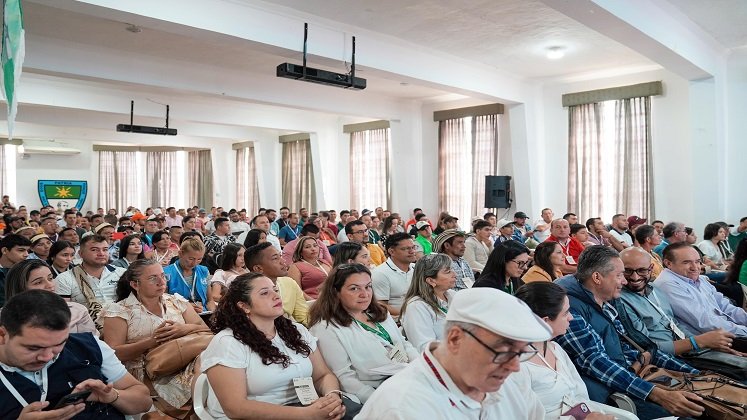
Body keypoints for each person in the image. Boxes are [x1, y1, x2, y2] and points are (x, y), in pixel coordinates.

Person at [555, 246, 703, 418]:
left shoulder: (607, 299)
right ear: (597, 277)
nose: (625, 281)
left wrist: (694, 374)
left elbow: (631, 345)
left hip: (630, 374)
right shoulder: (569, 308)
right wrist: (657, 394)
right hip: (610, 393)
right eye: (619, 275)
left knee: (706, 395)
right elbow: (595, 361)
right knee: (689, 413)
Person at [357, 287, 551, 419]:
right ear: (455, 339)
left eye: (521, 352)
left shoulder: (508, 382)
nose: (514, 367)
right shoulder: (402, 408)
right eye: (503, 351)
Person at [200, 273, 346, 419]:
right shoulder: (227, 343)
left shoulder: (296, 330)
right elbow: (236, 408)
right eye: (264, 293)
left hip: (305, 408)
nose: (276, 296)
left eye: (275, 290)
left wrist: (332, 398)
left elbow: (322, 375)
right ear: (244, 306)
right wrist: (307, 414)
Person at [0, 290, 152, 419]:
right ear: (2, 335)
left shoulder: (88, 346)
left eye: (59, 344)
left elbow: (144, 401)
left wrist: (112, 396)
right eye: (34, 348)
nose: (47, 357)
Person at [514, 282, 637, 419]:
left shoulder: (555, 349)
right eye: (566, 313)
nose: (571, 318)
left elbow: (580, 396)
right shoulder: (517, 366)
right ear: (545, 321)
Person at [102, 259, 209, 413]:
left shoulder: (176, 301)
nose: (161, 282)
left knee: (210, 366)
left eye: (163, 276)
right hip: (150, 371)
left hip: (186, 360)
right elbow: (113, 353)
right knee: (207, 378)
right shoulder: (119, 310)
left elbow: (204, 329)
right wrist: (151, 342)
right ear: (135, 284)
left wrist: (183, 329)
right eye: (153, 278)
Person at [618, 247, 747, 374]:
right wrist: (698, 342)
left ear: (651, 269)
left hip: (690, 350)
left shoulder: (654, 290)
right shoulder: (622, 300)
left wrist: (707, 344)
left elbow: (675, 325)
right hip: (668, 359)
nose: (635, 277)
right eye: (627, 271)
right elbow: (647, 348)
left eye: (642, 270)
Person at [309, 264, 418, 403]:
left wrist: (420, 367)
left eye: (368, 286)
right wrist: (378, 400)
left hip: (406, 377)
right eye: (354, 288)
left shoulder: (379, 313)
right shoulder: (326, 328)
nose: (364, 294)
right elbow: (345, 378)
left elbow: (403, 344)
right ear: (336, 292)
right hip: (376, 391)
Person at [655, 242, 747, 341]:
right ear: (668, 263)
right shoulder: (668, 284)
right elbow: (704, 323)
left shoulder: (699, 279)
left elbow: (724, 306)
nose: (695, 267)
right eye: (686, 262)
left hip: (727, 331)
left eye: (698, 261)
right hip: (710, 342)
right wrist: (744, 330)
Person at [5, 259, 97, 334]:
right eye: (38, 282)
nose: (50, 285)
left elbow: (92, 344)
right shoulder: (5, 317)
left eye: (50, 278)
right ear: (20, 288)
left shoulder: (77, 310)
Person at [55, 234, 127, 330]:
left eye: (105, 249)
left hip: (124, 324)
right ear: (80, 254)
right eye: (94, 250)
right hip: (87, 331)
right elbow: (64, 315)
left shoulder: (122, 273)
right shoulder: (64, 278)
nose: (101, 253)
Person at [400, 254, 457, 351]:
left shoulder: (452, 295)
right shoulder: (416, 307)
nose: (455, 274)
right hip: (442, 359)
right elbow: (425, 347)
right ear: (431, 280)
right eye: (448, 272)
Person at [245, 242, 309, 325]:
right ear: (258, 268)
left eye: (280, 256)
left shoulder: (289, 283)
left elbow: (303, 318)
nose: (283, 261)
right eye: (275, 258)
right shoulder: (249, 291)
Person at [163, 237, 214, 313]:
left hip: (203, 312)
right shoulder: (166, 272)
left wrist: (212, 313)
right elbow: (163, 301)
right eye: (191, 259)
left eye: (199, 259)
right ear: (180, 254)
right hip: (179, 314)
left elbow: (210, 300)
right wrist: (186, 306)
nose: (194, 263)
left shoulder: (204, 270)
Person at [371, 233, 417, 317]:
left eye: (413, 247)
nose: (412, 251)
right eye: (406, 249)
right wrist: (410, 314)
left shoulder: (416, 268)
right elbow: (380, 305)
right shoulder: (381, 273)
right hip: (397, 320)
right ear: (391, 251)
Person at [288, 236, 333, 300]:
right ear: (300, 252)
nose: (313, 249)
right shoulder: (295, 267)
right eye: (307, 247)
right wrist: (314, 303)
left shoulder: (324, 262)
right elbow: (297, 291)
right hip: (312, 302)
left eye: (315, 245)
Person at [0, 234, 32, 306]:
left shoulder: (27, 270)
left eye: (28, 251)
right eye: (21, 250)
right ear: (4, 250)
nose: (26, 254)